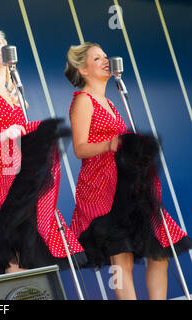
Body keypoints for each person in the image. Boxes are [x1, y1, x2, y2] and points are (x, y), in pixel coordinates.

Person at [0, 26, 86, 278]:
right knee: (8, 256)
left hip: (22, 179)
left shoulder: (15, 90)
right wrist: (1, 135)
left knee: (28, 256)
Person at [65, 42, 192, 300]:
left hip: (128, 186)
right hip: (105, 191)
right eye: (97, 58)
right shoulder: (84, 101)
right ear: (83, 69)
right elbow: (80, 148)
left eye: (105, 56)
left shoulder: (111, 102)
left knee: (160, 250)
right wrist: (110, 144)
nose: (105, 60)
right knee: (120, 258)